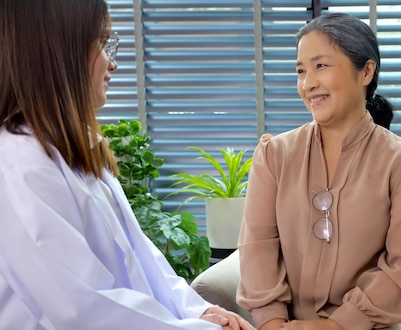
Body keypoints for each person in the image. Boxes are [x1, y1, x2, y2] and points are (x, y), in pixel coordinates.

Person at [0, 1, 255, 329]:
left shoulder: (78, 149)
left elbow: (138, 255)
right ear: (62, 54)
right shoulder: (21, 165)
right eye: (103, 44)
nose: (113, 63)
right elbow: (82, 309)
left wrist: (195, 310)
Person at [236, 12, 401, 330]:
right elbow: (258, 248)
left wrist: (335, 325)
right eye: (301, 70)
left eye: (321, 66)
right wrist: (272, 323)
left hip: (380, 322)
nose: (308, 83)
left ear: (366, 71)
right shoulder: (274, 154)